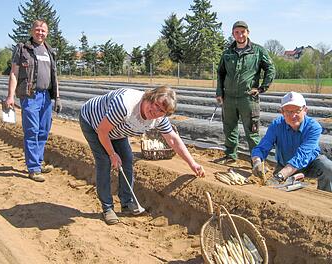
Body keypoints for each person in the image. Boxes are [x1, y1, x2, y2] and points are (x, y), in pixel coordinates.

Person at [79, 86, 205, 225]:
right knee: (104, 161)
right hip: (93, 123)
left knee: (127, 159)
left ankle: (127, 203)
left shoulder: (159, 119)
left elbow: (173, 139)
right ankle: (107, 208)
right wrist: (112, 154)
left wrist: (192, 163)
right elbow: (102, 131)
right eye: (156, 105)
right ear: (149, 97)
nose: (155, 111)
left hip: (118, 129)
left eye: (161, 111)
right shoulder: (125, 105)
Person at [5, 20, 62, 182]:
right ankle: (33, 168)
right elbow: (14, 73)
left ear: (47, 33)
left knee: (43, 131)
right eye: (37, 29)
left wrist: (57, 96)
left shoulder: (49, 50)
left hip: (45, 97)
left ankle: (38, 162)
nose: (40, 33)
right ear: (32, 31)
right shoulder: (23, 49)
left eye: (43, 30)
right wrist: (10, 96)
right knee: (32, 131)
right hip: (30, 95)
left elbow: (54, 76)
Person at [216, 21, 275, 163]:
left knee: (252, 131)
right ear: (233, 34)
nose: (240, 35)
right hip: (229, 98)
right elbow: (220, 73)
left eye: (242, 32)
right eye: (237, 32)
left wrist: (262, 88)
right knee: (229, 128)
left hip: (248, 98)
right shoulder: (227, 53)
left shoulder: (258, 51)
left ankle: (257, 160)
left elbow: (270, 69)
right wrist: (219, 92)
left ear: (248, 32)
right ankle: (230, 156)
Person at [251, 91, 332, 192]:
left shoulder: (313, 127)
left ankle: (325, 198)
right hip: (285, 164)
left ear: (305, 110)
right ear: (282, 112)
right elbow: (263, 146)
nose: (293, 116)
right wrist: (257, 161)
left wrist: (281, 175)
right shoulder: (276, 125)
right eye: (288, 112)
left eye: (297, 111)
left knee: (328, 168)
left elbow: (302, 156)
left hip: (310, 164)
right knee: (276, 192)